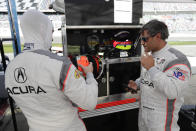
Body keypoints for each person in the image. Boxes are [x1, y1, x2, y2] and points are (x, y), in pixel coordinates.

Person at [5, 10, 98, 131]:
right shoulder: (60, 64)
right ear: (43, 28)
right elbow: (89, 102)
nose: (52, 38)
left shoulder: (10, 68)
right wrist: (89, 74)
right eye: (52, 32)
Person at [128, 19, 191, 131]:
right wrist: (138, 84)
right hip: (144, 120)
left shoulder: (177, 59)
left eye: (145, 39)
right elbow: (150, 77)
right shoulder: (149, 55)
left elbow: (173, 90)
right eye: (141, 39)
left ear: (158, 36)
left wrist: (151, 68)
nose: (142, 43)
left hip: (163, 124)